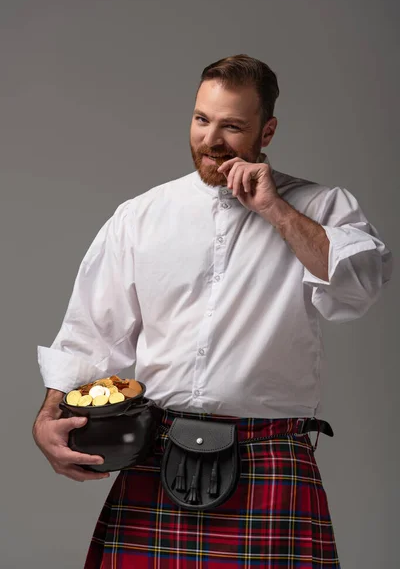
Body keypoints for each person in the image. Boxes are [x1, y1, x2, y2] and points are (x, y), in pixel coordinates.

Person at [33, 54, 392, 568]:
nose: (211, 140)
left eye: (232, 126)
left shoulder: (322, 208)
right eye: (202, 120)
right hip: (156, 455)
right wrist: (48, 417)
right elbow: (90, 335)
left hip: (270, 459)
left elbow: (359, 288)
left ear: (266, 132)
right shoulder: (140, 217)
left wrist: (275, 210)